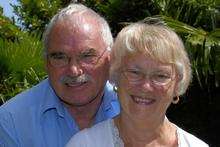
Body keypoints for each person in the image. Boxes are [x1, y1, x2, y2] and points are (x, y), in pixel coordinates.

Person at [66, 20, 209, 147]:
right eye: (134, 72)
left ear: (177, 85)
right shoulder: (84, 143)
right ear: (116, 76)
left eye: (160, 76)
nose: (146, 86)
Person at [0, 3, 120, 147]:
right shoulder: (12, 120)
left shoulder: (135, 108)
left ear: (110, 58)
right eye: (60, 57)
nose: (74, 71)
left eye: (87, 56)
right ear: (46, 62)